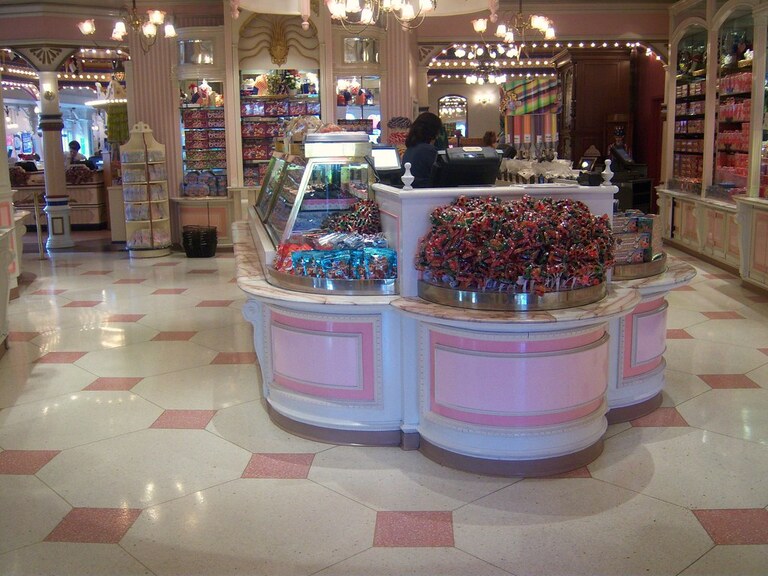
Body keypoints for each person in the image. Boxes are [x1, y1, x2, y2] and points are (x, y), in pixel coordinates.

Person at [402, 111, 443, 188]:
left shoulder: (410, 150)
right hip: (427, 193)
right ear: (434, 131)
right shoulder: (429, 151)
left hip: (413, 191)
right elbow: (444, 177)